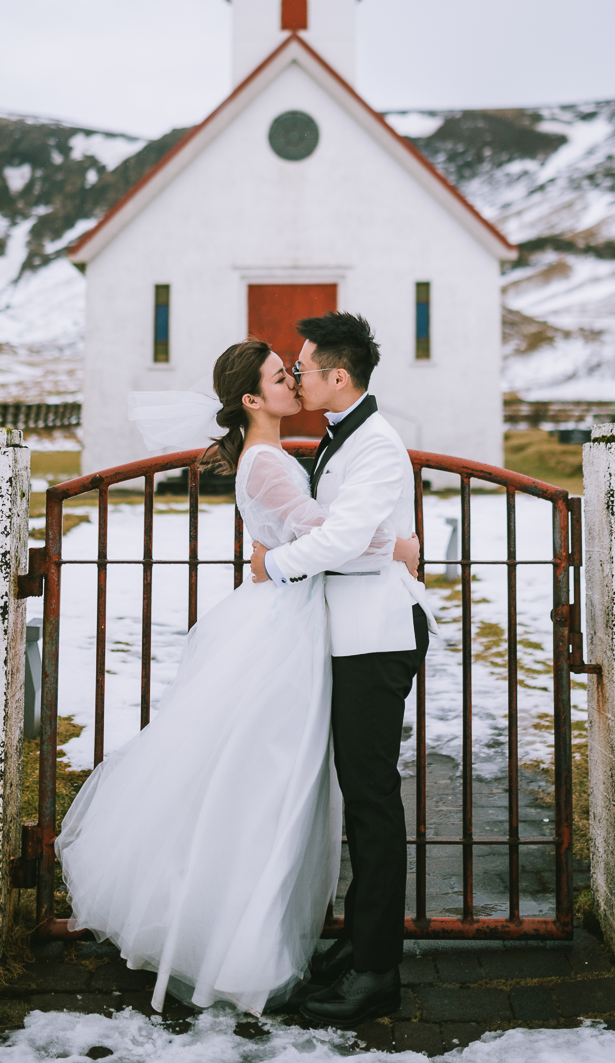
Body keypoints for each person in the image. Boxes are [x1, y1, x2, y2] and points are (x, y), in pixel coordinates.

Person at [54, 338, 420, 1017]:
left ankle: (316, 944)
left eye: (297, 372)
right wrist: (399, 546)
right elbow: (327, 533)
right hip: (283, 626)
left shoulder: (279, 455)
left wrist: (282, 553)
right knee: (263, 785)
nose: (294, 381)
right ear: (251, 399)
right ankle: (249, 942)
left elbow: (309, 533)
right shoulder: (268, 462)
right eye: (282, 376)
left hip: (304, 622)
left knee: (275, 782)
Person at [250, 312, 435, 1027]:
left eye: (303, 368)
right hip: (348, 635)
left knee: (372, 802)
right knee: (359, 798)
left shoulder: (377, 445)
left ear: (339, 375)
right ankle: (358, 942)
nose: (296, 377)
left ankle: (377, 972)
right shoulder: (343, 435)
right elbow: (346, 535)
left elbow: (346, 538)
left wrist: (273, 567)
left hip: (376, 638)